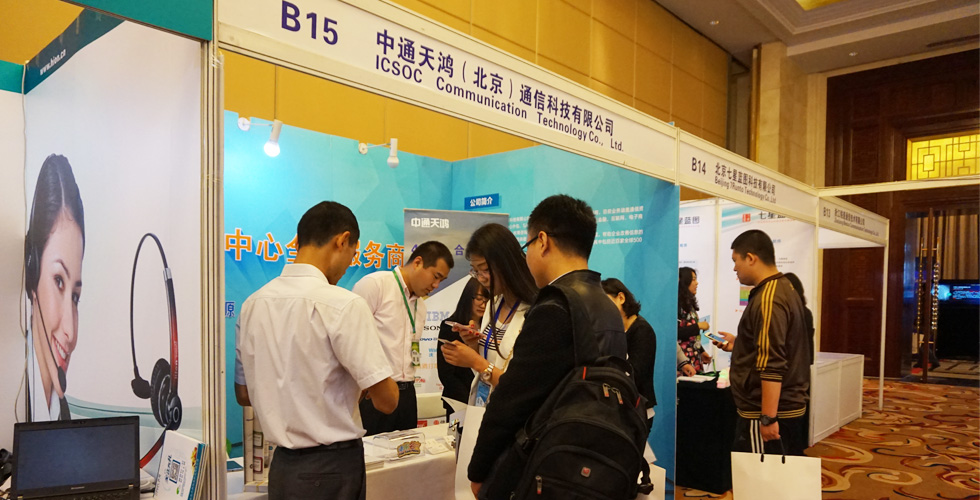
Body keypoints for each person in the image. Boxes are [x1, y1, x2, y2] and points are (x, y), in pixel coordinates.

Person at [236, 201, 399, 500]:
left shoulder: (251, 305)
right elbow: (387, 401)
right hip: (332, 468)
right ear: (342, 241)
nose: (349, 265)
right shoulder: (343, 304)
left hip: (282, 468)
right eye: (353, 255)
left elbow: (244, 394)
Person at [468, 194, 627, 499]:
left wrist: (479, 470)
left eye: (527, 246)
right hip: (593, 461)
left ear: (542, 241)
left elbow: (512, 400)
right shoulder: (607, 306)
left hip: (548, 465)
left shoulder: (555, 306)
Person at [439, 223, 537, 500]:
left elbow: (522, 386)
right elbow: (490, 363)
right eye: (475, 270)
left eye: (484, 270)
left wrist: (478, 362)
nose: (480, 278)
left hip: (512, 425)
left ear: (506, 262)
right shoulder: (495, 304)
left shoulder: (534, 310)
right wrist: (474, 347)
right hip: (482, 412)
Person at [712, 229, 810, 456]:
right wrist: (740, 345)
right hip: (781, 407)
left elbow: (772, 364)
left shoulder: (769, 298)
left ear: (751, 258)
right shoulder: (782, 287)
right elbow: (777, 344)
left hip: (766, 411)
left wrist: (768, 417)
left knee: (761, 474)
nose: (734, 268)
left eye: (735, 261)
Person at [353, 240, 454, 435]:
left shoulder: (420, 306)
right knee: (371, 452)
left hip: (408, 394)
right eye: (435, 276)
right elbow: (353, 340)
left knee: (408, 451)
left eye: (441, 281)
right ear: (417, 262)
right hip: (374, 393)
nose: (436, 285)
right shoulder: (376, 285)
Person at [25, 154, 85, 421]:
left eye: (75, 297)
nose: (70, 332)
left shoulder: (61, 415)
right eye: (58, 281)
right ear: (33, 271)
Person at [602, 278, 657, 426]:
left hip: (637, 409)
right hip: (618, 408)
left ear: (621, 298)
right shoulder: (612, 329)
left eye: (605, 302)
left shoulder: (642, 330)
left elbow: (636, 373)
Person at [436, 278, 489, 420]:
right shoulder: (450, 327)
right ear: (468, 297)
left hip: (486, 401)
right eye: (479, 298)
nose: (483, 304)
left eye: (487, 300)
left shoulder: (492, 328)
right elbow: (446, 373)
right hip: (459, 401)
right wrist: (469, 400)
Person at [678, 267, 712, 373]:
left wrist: (701, 351)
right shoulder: (676, 305)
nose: (697, 283)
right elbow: (675, 333)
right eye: (693, 279)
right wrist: (698, 326)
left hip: (694, 360)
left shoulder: (689, 305)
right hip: (683, 362)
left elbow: (690, 337)